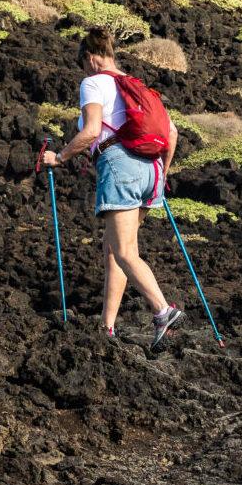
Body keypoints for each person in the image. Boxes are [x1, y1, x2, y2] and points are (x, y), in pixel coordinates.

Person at [42, 29, 185, 348]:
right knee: (115, 250)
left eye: (82, 64)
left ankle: (163, 312)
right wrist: (162, 175)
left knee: (123, 252)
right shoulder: (137, 86)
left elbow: (92, 131)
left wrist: (60, 157)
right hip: (152, 170)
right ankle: (107, 327)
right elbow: (172, 133)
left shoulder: (93, 82)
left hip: (120, 166)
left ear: (91, 59)